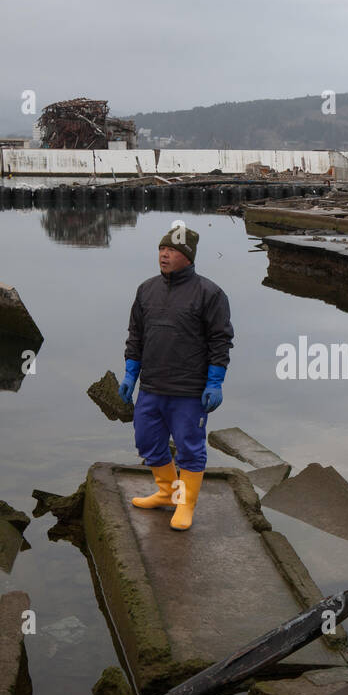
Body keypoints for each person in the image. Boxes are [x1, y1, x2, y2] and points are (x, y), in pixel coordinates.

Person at [118, 224, 233, 531]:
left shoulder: (210, 293)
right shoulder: (146, 290)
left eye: (171, 250)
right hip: (152, 387)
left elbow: (220, 341)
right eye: (161, 249)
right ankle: (167, 493)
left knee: (189, 449)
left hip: (188, 391)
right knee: (147, 441)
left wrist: (215, 381)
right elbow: (135, 335)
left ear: (188, 256)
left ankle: (184, 504)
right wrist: (131, 374)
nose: (164, 255)